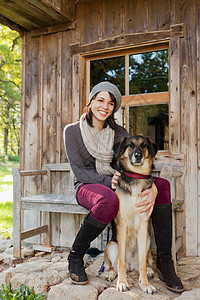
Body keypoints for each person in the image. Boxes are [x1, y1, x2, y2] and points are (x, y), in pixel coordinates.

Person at [63, 81, 184, 293]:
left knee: (162, 185)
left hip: (117, 180)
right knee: (109, 199)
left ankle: (165, 263)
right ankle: (75, 256)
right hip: (88, 185)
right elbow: (79, 171)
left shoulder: (119, 132)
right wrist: (108, 181)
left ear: (114, 108)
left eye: (110, 103)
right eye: (100, 100)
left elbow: (129, 162)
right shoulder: (72, 131)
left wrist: (153, 189)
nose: (105, 106)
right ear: (91, 102)